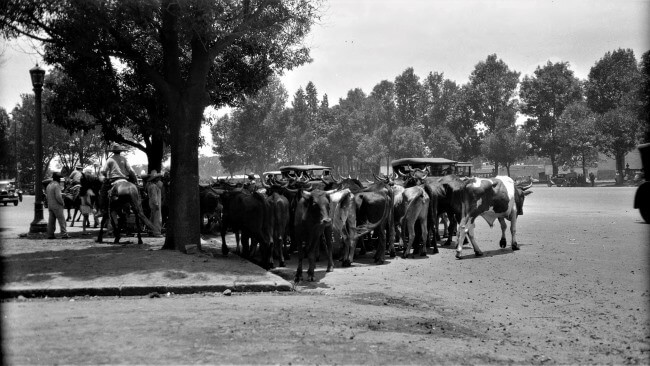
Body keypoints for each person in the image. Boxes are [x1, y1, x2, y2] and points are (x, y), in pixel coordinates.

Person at [99, 143, 138, 214]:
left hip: (114, 180)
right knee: (136, 189)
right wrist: (135, 180)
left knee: (103, 192)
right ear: (120, 151)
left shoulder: (110, 159)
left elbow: (103, 171)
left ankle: (102, 209)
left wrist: (106, 176)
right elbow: (130, 170)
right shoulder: (124, 159)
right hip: (125, 179)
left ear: (113, 151)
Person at [46, 172, 69, 239]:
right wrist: (62, 203)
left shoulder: (49, 185)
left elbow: (49, 195)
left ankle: (50, 235)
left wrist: (61, 194)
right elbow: (58, 196)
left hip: (50, 205)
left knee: (51, 222)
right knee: (62, 220)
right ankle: (64, 234)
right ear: (58, 178)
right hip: (57, 205)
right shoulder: (57, 185)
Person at [142, 170, 163, 237]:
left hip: (152, 203)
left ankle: (151, 231)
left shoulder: (151, 186)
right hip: (155, 204)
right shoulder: (154, 186)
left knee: (153, 217)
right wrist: (156, 204)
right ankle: (157, 232)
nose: (159, 179)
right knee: (157, 218)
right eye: (158, 178)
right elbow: (154, 196)